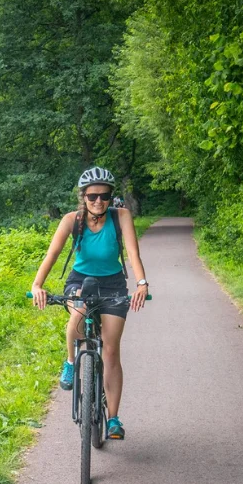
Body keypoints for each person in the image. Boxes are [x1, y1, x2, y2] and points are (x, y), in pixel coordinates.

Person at [30, 166, 149, 440]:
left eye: (105, 196)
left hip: (113, 283)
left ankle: (114, 418)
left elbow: (132, 253)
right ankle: (71, 362)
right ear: (83, 196)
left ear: (111, 197)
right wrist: (37, 285)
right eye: (93, 196)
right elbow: (53, 254)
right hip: (80, 280)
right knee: (78, 315)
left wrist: (141, 283)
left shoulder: (121, 217)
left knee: (110, 351)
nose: (99, 201)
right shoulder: (72, 220)